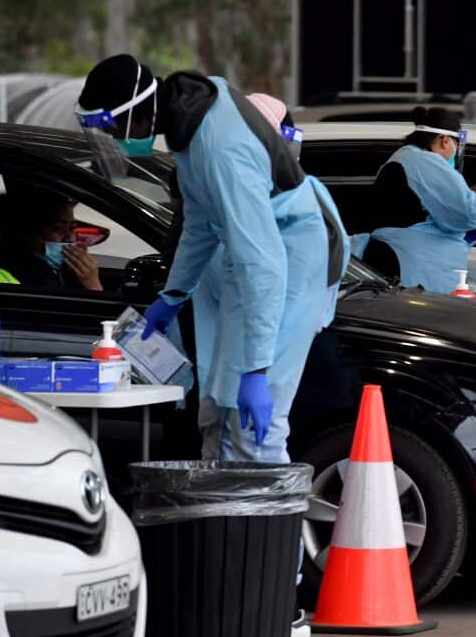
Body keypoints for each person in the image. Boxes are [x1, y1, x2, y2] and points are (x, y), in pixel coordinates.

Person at [74, 54, 347, 462]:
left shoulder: (221, 150)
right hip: (263, 257)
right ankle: (220, 515)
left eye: (112, 126)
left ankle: (268, 524)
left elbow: (264, 265)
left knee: (255, 427)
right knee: (217, 408)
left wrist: (257, 370)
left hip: (293, 258)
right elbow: (199, 224)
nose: (114, 138)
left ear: (135, 113)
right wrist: (174, 293)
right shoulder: (190, 119)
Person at [353, 107, 476, 293]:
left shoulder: (406, 159)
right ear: (445, 140)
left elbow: (431, 216)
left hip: (404, 264)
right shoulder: (423, 161)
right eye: (456, 145)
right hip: (410, 268)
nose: (455, 153)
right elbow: (467, 210)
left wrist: (464, 235)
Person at [0, 182, 100, 290]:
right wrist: (93, 286)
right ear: (29, 233)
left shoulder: (50, 268)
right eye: (57, 228)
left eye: (71, 228)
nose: (69, 238)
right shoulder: (29, 276)